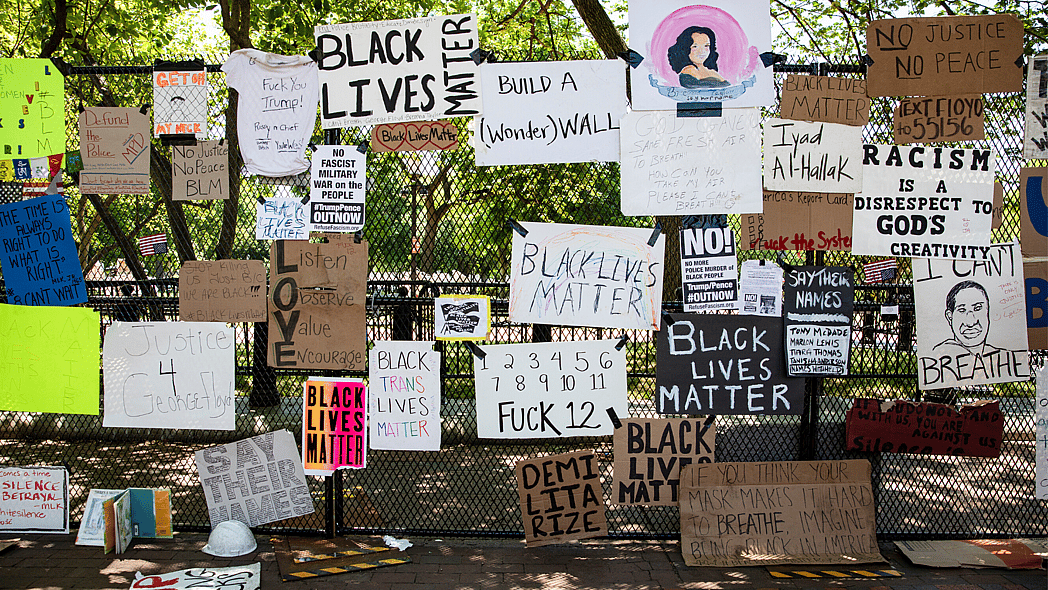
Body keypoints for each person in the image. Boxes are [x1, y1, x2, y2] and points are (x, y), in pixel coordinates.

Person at [931, 280, 1003, 357]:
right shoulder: (937, 357)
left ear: (987, 311)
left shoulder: (1005, 358)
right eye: (962, 310)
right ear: (950, 317)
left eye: (977, 308)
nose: (971, 322)